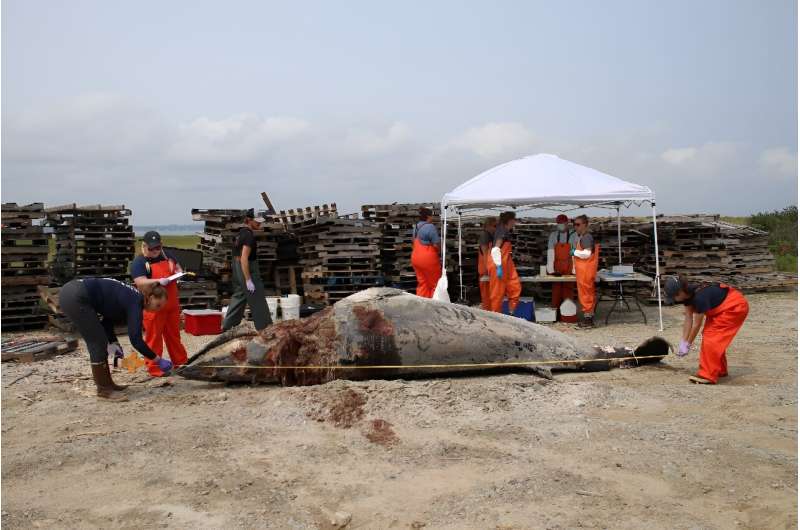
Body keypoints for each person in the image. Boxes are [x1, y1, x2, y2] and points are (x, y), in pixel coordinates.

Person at [59, 278, 173, 401]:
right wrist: (157, 359)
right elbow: (136, 340)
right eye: (158, 305)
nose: (157, 309)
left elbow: (107, 320)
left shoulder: (131, 297)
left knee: (101, 340)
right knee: (97, 342)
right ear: (150, 298)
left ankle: (108, 384)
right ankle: (104, 390)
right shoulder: (136, 302)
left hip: (73, 291)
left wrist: (114, 344)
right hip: (75, 297)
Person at [665, 275, 749, 384]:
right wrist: (683, 341)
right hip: (721, 309)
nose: (674, 300)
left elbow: (696, 324)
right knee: (711, 336)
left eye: (674, 297)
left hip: (734, 307)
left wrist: (688, 344)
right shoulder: (687, 296)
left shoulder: (699, 298)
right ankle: (719, 370)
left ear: (680, 292)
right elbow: (688, 318)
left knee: (711, 337)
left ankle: (707, 375)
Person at [131, 231, 188, 377]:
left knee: (174, 336)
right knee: (154, 337)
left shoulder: (168, 255)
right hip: (153, 307)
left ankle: (181, 363)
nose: (155, 251)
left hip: (172, 304)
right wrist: (157, 281)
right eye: (151, 248)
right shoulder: (139, 262)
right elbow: (140, 281)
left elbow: (178, 267)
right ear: (144, 246)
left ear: (161, 245)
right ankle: (155, 368)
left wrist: (178, 273)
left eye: (157, 248)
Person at [222, 209, 272, 331]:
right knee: (258, 299)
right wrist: (248, 280)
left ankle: (227, 327)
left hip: (237, 270)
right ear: (249, 220)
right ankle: (266, 330)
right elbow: (244, 258)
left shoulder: (240, 234)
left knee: (239, 297)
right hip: (248, 271)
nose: (260, 223)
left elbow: (236, 257)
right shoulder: (249, 236)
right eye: (257, 221)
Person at [487, 211, 521, 314]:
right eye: (514, 220)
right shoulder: (502, 230)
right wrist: (498, 266)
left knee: (515, 286)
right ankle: (495, 316)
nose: (515, 222)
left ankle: (511, 313)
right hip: (498, 262)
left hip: (506, 262)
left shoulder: (504, 230)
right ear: (510, 220)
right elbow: (496, 249)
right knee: (497, 293)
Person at [546, 214, 578, 316]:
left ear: (567, 223)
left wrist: (574, 269)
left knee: (568, 290)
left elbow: (574, 252)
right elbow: (550, 252)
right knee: (556, 290)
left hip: (569, 264)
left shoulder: (574, 235)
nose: (561, 225)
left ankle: (567, 314)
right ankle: (555, 314)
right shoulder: (553, 235)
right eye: (558, 223)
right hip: (557, 267)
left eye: (562, 223)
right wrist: (550, 269)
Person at [572, 214, 599, 327]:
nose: (575, 227)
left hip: (585, 271)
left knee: (586, 295)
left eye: (577, 224)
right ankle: (589, 319)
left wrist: (574, 252)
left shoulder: (586, 237)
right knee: (587, 294)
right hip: (585, 271)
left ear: (585, 225)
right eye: (574, 224)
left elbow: (587, 254)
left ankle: (588, 321)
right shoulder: (584, 237)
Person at [410, 206, 442, 298]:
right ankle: (435, 306)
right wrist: (439, 252)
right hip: (427, 259)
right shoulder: (430, 227)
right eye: (432, 216)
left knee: (422, 283)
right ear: (428, 216)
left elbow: (414, 241)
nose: (433, 218)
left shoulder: (415, 227)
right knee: (435, 283)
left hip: (415, 258)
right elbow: (436, 244)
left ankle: (422, 304)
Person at [477, 216, 497, 310]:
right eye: (494, 226)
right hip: (485, 270)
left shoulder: (489, 235)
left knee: (492, 294)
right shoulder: (485, 236)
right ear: (488, 226)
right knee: (486, 296)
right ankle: (487, 313)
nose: (495, 228)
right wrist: (489, 269)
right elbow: (485, 254)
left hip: (488, 269)